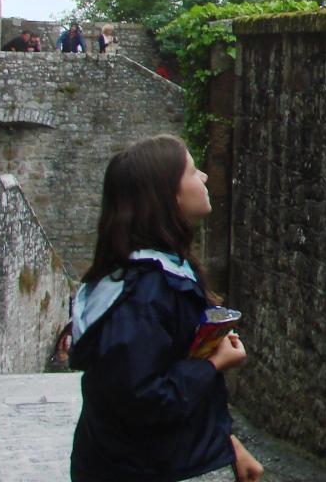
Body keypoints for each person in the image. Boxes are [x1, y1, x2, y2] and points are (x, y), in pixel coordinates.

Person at [68, 135, 264, 482]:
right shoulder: (143, 294)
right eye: (192, 171)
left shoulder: (157, 277)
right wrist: (215, 364)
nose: (204, 177)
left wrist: (228, 444)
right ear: (168, 196)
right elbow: (142, 397)